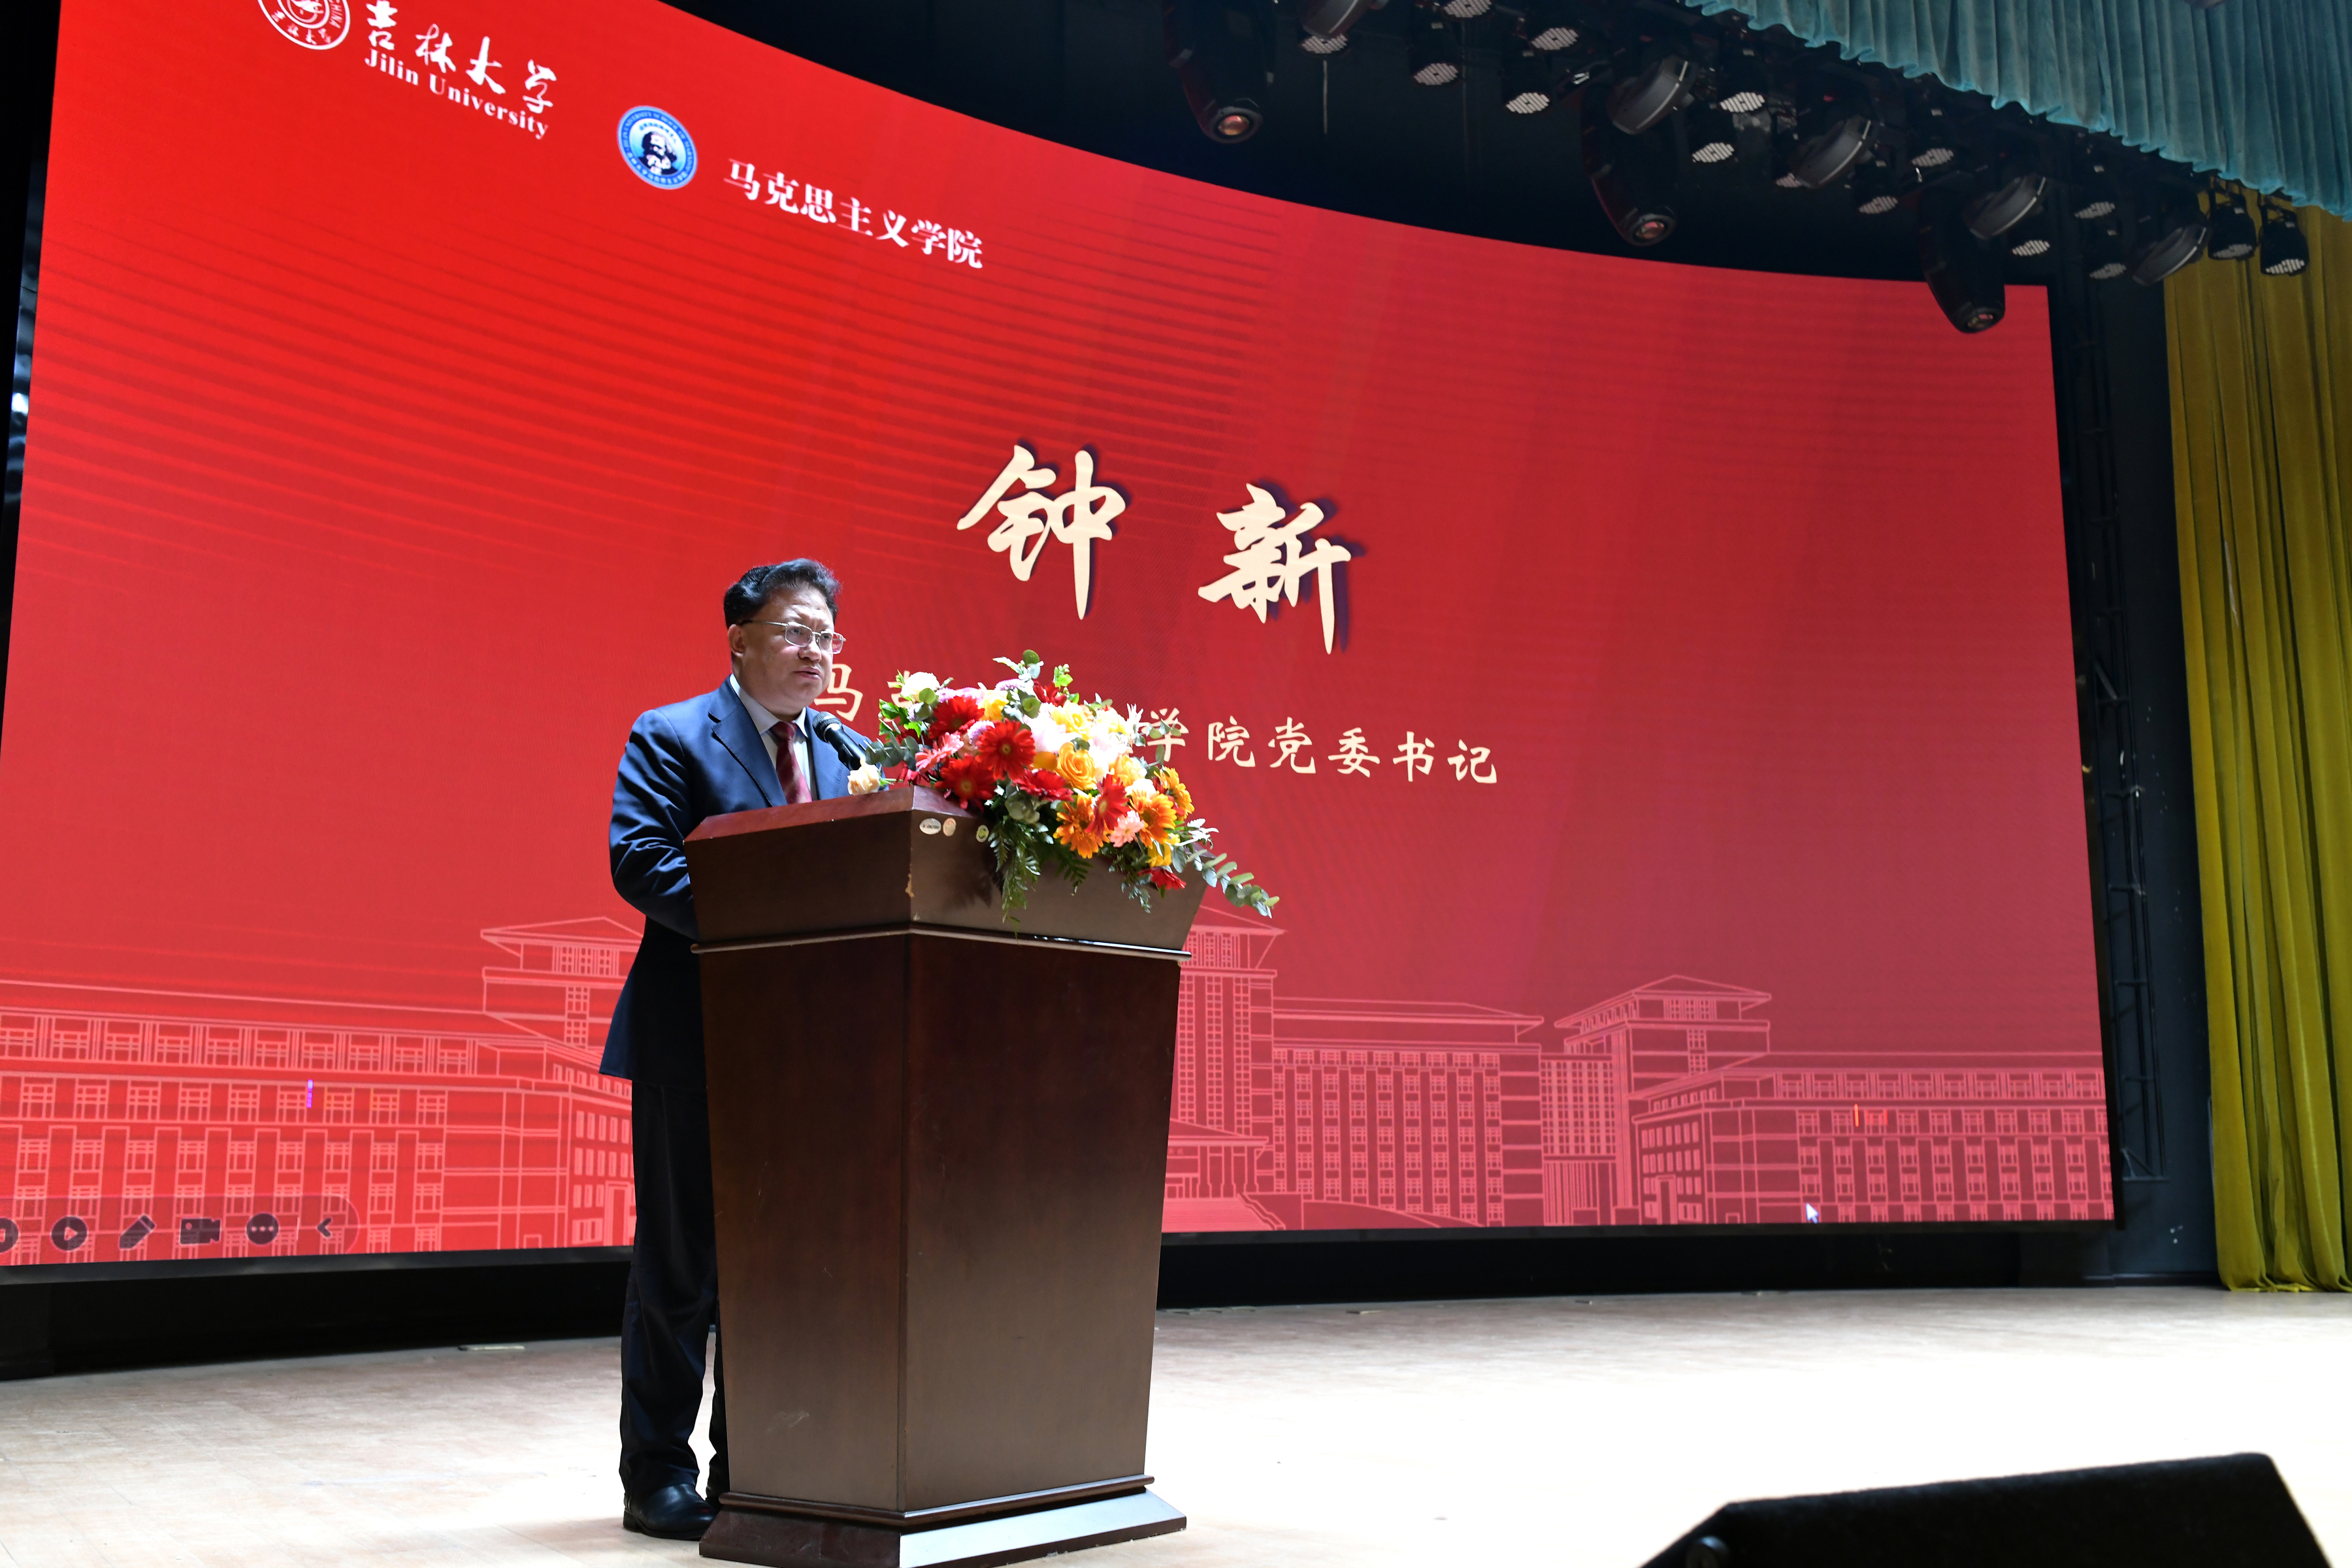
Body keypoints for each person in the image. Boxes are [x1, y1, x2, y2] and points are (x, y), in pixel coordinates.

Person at [601, 559, 862, 1539]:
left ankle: (753, 1469)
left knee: (781, 1270)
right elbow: (643, 863)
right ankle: (657, 1476)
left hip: (816, 1057)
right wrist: (776, 930)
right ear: (740, 641)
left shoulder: (850, 754)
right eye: (795, 632)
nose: (814, 653)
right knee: (683, 1269)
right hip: (698, 1040)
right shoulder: (673, 735)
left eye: (826, 637)